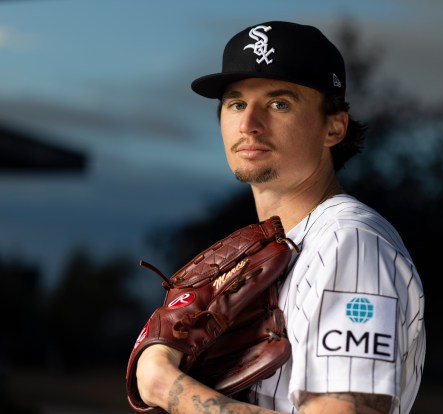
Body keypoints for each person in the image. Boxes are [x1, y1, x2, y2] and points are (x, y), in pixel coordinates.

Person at [136, 20, 425, 413]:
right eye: (237, 103)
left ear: (334, 127)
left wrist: (166, 385)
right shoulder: (270, 249)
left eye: (279, 103)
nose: (249, 124)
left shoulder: (350, 242)